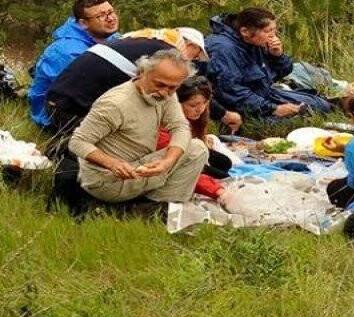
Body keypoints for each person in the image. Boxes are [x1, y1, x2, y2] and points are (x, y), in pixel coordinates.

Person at [68, 50, 209, 210]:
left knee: (196, 148)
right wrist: (113, 164)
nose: (165, 92)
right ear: (142, 72)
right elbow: (77, 142)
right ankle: (159, 210)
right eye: (159, 84)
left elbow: (180, 126)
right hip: (107, 181)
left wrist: (168, 161)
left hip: (138, 169)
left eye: (173, 87)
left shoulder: (167, 94)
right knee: (197, 150)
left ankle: (156, 207)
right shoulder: (116, 103)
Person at [206, 7, 332, 119]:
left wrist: (277, 56)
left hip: (263, 94)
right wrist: (273, 109)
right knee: (294, 119)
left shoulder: (255, 41)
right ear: (245, 31)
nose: (273, 36)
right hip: (237, 105)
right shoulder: (223, 49)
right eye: (268, 31)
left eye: (274, 30)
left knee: (321, 106)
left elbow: (281, 73)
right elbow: (232, 92)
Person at [43, 36, 177, 139]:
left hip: (57, 101)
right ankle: (61, 152)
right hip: (69, 112)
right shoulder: (167, 64)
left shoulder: (142, 45)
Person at [28, 0, 120, 129]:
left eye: (110, 12)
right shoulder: (66, 52)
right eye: (101, 16)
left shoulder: (107, 35)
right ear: (83, 23)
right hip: (56, 110)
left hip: (85, 98)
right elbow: (82, 92)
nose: (111, 18)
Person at [176, 76, 238, 178]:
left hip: (194, 149)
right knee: (222, 176)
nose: (200, 109)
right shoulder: (172, 117)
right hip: (180, 155)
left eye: (204, 103)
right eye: (192, 105)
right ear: (178, 103)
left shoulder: (201, 114)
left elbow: (200, 136)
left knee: (225, 162)